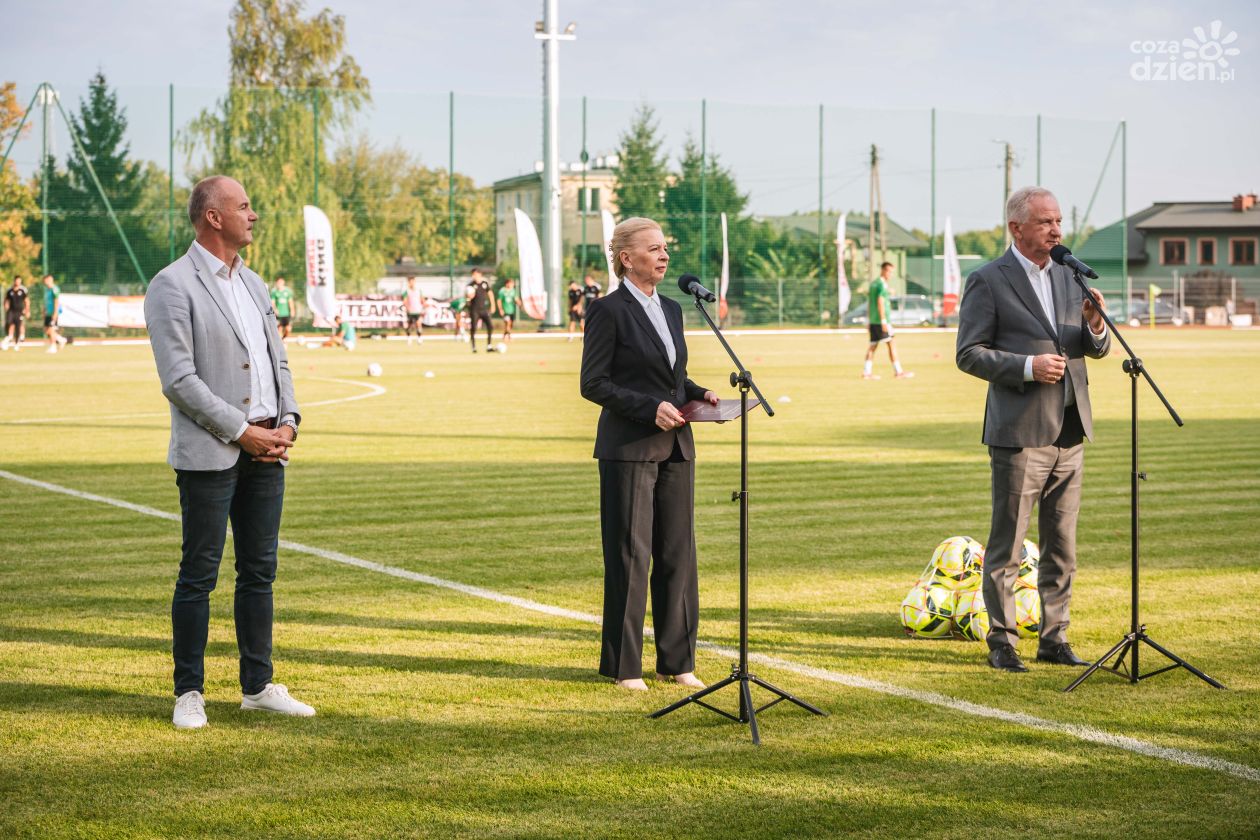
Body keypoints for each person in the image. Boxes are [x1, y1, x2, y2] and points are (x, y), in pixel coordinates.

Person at [143, 175, 314, 729]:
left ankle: (257, 685)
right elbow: (179, 380)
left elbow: (277, 360)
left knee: (260, 571)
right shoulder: (171, 285)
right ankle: (188, 691)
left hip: (268, 446)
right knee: (199, 572)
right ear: (212, 217)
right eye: (244, 206)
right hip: (215, 450)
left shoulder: (256, 283)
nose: (254, 214)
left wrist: (287, 419)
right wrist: (242, 430)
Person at [956, 186, 1111, 673]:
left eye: (1059, 221)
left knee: (1061, 543)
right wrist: (1026, 366)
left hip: (1070, 427)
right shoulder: (988, 280)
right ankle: (1002, 642)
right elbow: (969, 353)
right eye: (1045, 222)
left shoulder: (1069, 275)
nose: (1057, 231)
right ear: (1016, 228)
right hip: (1020, 433)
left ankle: (1055, 637)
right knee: (1008, 543)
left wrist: (1094, 326)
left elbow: (1093, 349)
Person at [580, 217, 718, 691]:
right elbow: (594, 383)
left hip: (678, 445)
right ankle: (624, 667)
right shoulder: (607, 311)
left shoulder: (674, 309)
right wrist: (648, 408)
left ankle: (677, 663)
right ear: (626, 258)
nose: (664, 255)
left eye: (665, 248)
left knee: (679, 554)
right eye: (654, 248)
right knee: (630, 555)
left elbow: (671, 376)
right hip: (630, 447)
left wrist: (701, 393)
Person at [862, 262, 913, 379]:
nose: (890, 274)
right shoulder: (881, 284)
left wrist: (869, 320)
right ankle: (898, 372)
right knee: (891, 344)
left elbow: (870, 303)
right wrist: (884, 321)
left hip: (874, 321)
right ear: (883, 270)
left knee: (872, 346)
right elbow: (880, 302)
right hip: (881, 321)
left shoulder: (874, 283)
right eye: (889, 271)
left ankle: (866, 372)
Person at [466, 268, 495, 353]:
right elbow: (467, 298)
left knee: (490, 326)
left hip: (484, 309)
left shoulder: (484, 284)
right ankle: (473, 347)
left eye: (475, 274)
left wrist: (493, 305)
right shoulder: (470, 285)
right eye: (472, 275)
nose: (473, 276)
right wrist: (469, 297)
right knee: (474, 328)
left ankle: (489, 346)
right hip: (474, 310)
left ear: (480, 274)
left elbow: (490, 294)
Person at [42, 274, 68, 354]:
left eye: (46, 280)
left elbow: (56, 302)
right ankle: (61, 339)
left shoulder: (55, 289)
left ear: (50, 280)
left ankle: (53, 347)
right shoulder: (47, 290)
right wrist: (44, 311)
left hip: (53, 313)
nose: (45, 282)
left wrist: (55, 313)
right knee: (46, 331)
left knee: (51, 330)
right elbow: (46, 302)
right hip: (48, 313)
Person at [3, 275, 29, 352]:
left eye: (19, 280)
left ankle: (17, 344)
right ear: (14, 281)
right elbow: (6, 300)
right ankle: (9, 337)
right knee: (8, 323)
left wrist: (27, 310)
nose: (17, 282)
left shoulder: (23, 290)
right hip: (11, 311)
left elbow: (27, 301)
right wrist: (6, 306)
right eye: (16, 280)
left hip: (19, 312)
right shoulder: (9, 290)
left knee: (18, 327)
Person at [402, 276, 427, 346]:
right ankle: (409, 338)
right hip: (410, 311)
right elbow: (405, 301)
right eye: (410, 282)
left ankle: (419, 339)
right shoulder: (406, 292)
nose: (411, 283)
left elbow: (422, 300)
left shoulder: (419, 291)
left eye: (412, 281)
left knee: (418, 324)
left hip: (418, 311)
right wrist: (407, 308)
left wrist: (425, 305)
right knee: (409, 325)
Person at [496, 277, 522, 343]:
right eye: (511, 283)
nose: (512, 285)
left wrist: (520, 304)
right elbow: (499, 300)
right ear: (507, 283)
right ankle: (509, 337)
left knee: (509, 325)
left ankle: (505, 336)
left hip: (511, 311)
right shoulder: (502, 291)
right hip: (505, 311)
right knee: (508, 323)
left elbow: (516, 299)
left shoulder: (513, 290)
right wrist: (501, 309)